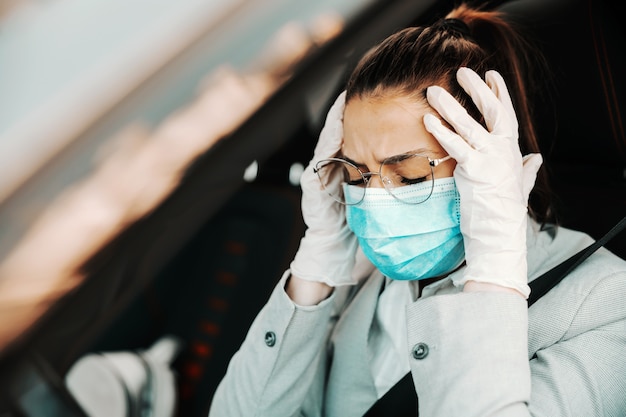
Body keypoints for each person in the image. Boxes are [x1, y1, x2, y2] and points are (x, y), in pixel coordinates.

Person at [208, 3, 626, 416]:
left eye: (409, 176)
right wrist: (318, 260)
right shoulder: (355, 279)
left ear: (486, 164)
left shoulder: (608, 302)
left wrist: (494, 268)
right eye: (355, 177)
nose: (372, 202)